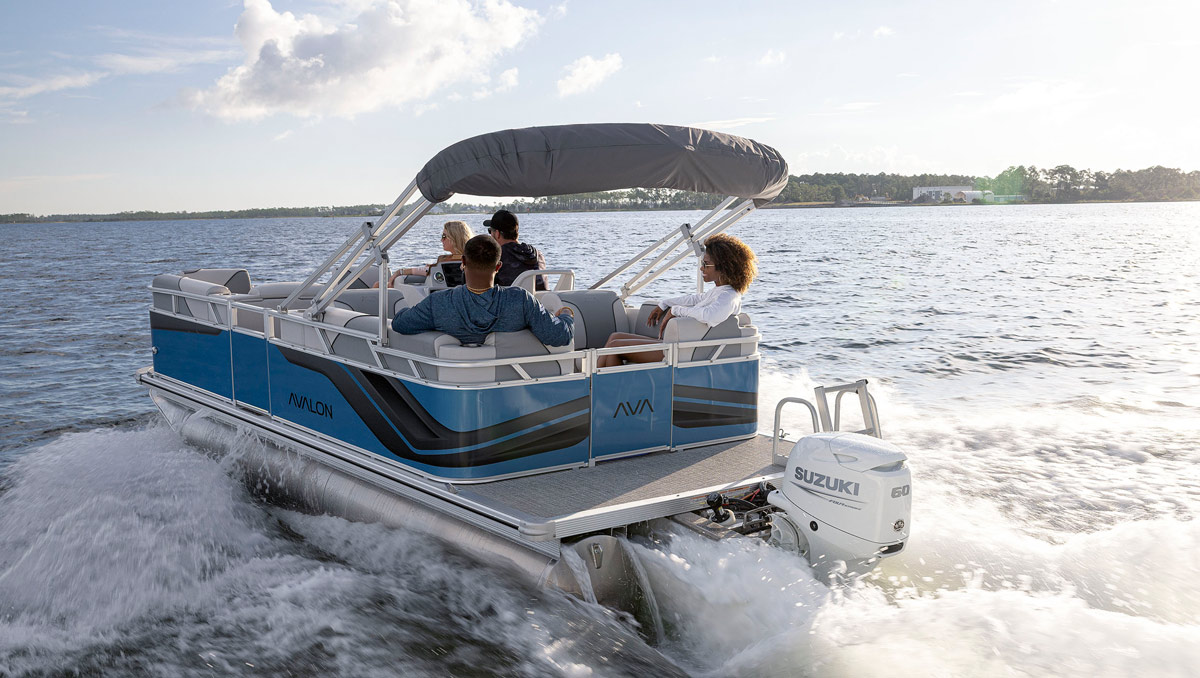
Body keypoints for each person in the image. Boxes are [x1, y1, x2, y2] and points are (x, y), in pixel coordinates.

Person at [596, 233, 757, 368]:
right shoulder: (718, 291)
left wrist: (675, 310)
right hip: (677, 346)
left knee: (615, 347)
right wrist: (665, 303)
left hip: (684, 353)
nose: (702, 268)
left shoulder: (729, 296)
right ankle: (594, 388)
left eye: (706, 264)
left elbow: (710, 316)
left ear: (723, 267)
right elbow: (694, 299)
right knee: (614, 337)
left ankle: (601, 392)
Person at [392, 234, 575, 346]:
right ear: (498, 267)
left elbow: (400, 323)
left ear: (463, 263)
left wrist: (412, 310)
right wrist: (566, 314)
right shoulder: (521, 300)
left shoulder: (439, 303)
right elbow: (560, 336)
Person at [378, 220, 474, 288]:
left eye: (444, 236)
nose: (441, 240)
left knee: (378, 285)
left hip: (446, 298)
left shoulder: (445, 262)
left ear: (454, 238)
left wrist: (399, 272)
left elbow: (424, 270)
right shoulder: (475, 259)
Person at [484, 209, 547, 290]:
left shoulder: (497, 258)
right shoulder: (538, 255)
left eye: (490, 231)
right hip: (542, 301)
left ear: (497, 234)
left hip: (509, 302)